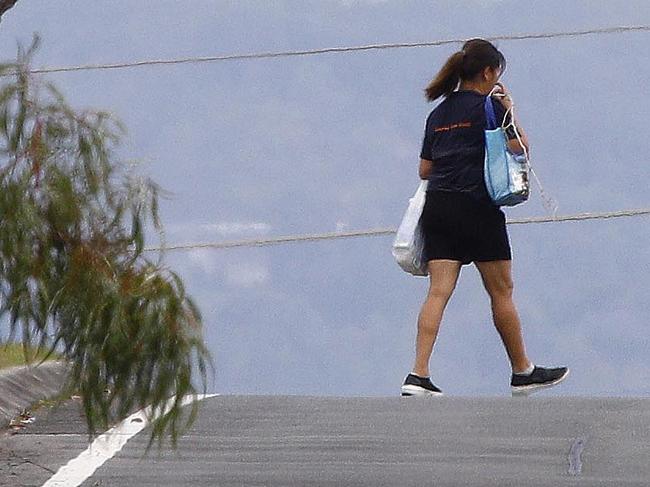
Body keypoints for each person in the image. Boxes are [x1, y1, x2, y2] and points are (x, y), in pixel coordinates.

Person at [400, 39, 569, 397]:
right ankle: (522, 371)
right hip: (477, 208)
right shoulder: (490, 107)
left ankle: (418, 374)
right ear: (488, 72)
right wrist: (509, 109)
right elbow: (519, 147)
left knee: (438, 291)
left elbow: (425, 168)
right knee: (501, 290)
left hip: (439, 209)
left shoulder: (438, 114)